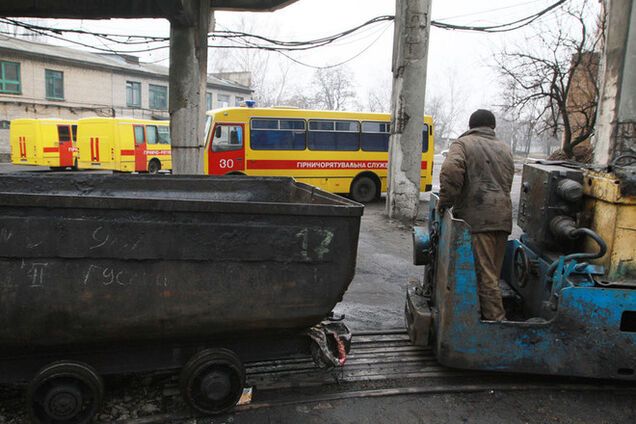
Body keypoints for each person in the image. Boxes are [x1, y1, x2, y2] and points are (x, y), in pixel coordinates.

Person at [437, 109, 514, 321]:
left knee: (485, 277)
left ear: (471, 126)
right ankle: (483, 316)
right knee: (492, 275)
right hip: (502, 219)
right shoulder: (505, 148)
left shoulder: (462, 144)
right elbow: (506, 182)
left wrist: (446, 201)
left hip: (478, 221)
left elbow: (451, 170)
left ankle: (496, 325)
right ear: (493, 127)